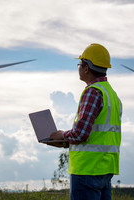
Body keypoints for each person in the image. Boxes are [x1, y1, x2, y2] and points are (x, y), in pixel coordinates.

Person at [50, 43, 122, 200]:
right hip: (105, 168)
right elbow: (96, 135)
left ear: (86, 68)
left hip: (87, 170)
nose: (79, 68)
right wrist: (64, 142)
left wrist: (62, 134)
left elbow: (80, 134)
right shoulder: (112, 95)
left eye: (80, 64)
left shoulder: (93, 92)